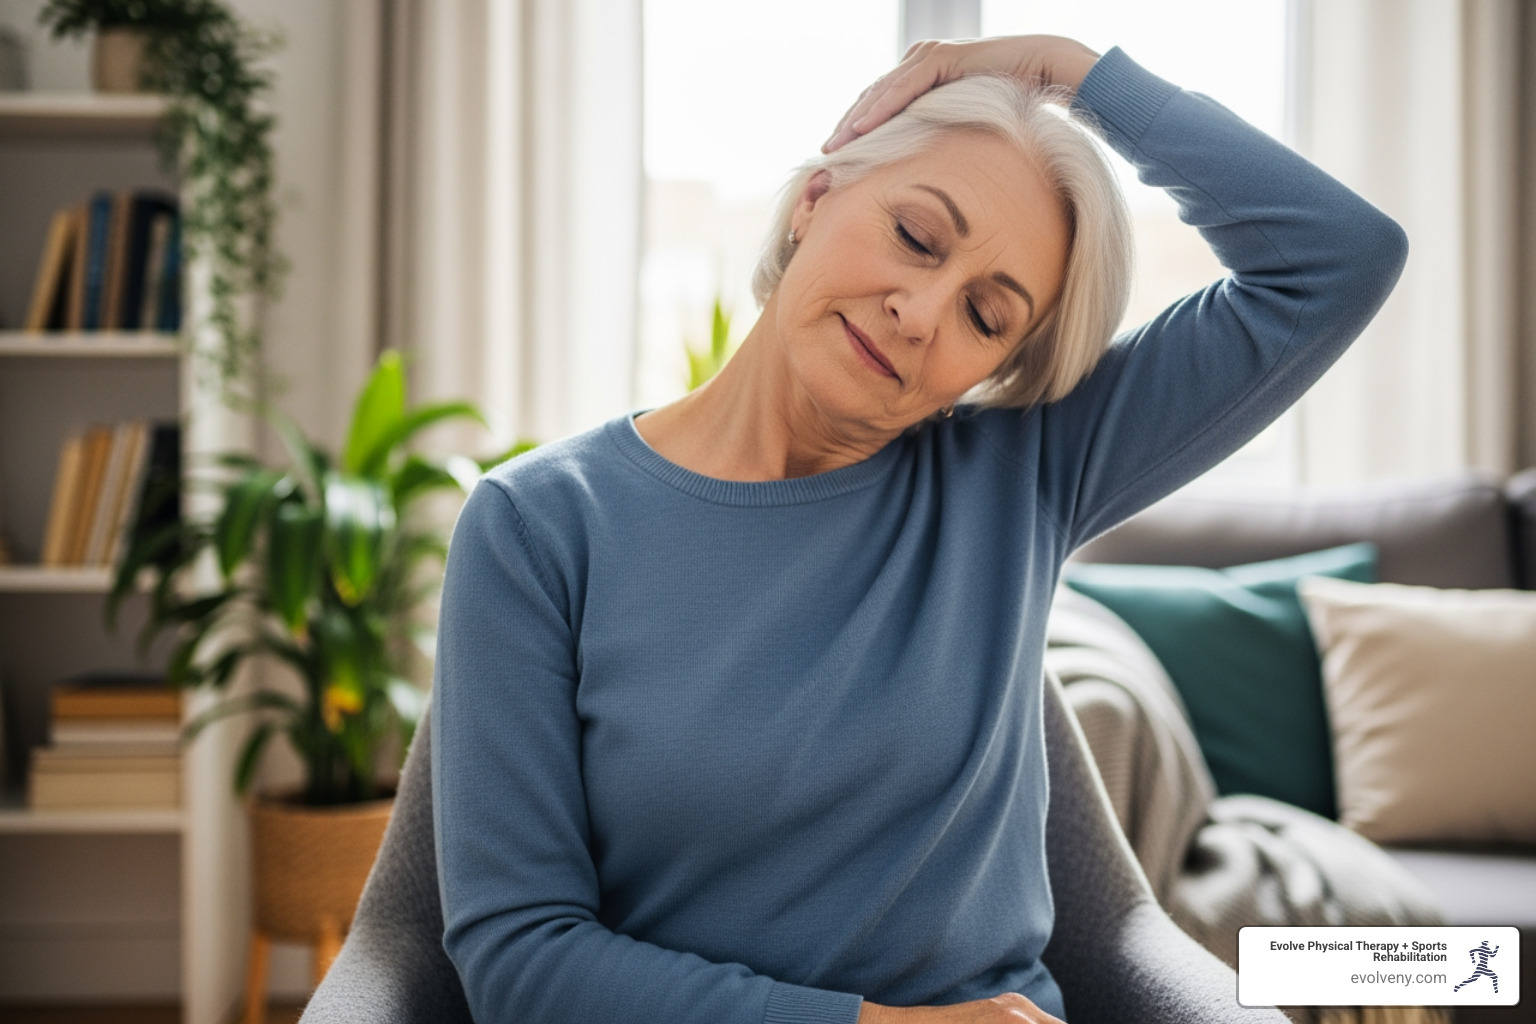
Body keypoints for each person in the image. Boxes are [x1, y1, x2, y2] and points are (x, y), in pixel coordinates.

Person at [430, 34, 1407, 1024]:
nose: (920, 313)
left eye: (988, 316)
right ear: (814, 200)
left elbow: (1337, 261)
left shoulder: (1022, 473)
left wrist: (1065, 72)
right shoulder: (537, 527)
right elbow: (519, 956)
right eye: (915, 235)